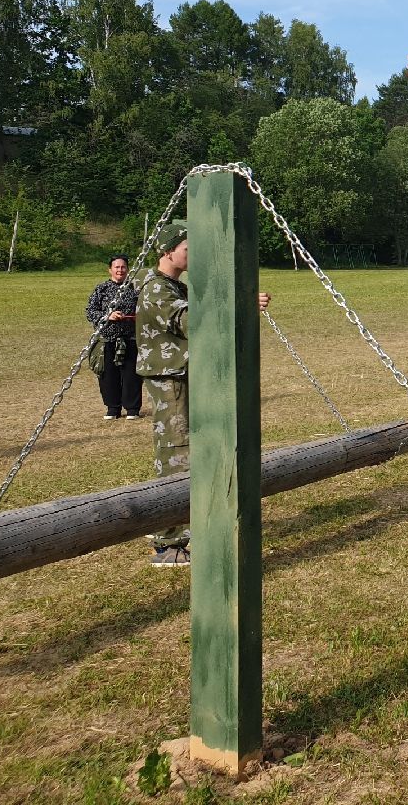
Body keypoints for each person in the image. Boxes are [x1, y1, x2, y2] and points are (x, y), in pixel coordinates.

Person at [136, 221, 271, 568]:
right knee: (176, 456)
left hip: (183, 376)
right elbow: (192, 321)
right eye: (188, 248)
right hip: (171, 382)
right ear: (168, 251)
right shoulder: (156, 289)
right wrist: (242, 303)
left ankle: (189, 524)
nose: (193, 254)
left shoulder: (174, 286)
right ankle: (168, 544)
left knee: (194, 452)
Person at [86, 254, 142, 420]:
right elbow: (90, 311)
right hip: (107, 340)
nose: (120, 270)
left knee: (131, 375)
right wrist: (108, 316)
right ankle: (113, 408)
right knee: (108, 376)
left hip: (130, 339)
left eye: (123, 267)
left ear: (128, 269)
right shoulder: (101, 289)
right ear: (110, 270)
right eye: (117, 267)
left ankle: (132, 409)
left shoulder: (135, 289)